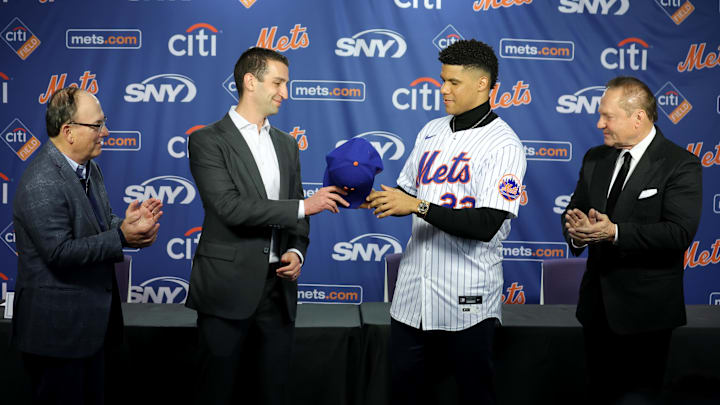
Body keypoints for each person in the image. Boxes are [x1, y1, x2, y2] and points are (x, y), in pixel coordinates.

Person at [366, 39, 526, 404]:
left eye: (453, 82)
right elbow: (404, 193)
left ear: (482, 84)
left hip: (467, 300)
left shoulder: (504, 145)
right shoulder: (431, 131)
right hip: (411, 297)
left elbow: (486, 224)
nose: (443, 89)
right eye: (443, 80)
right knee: (405, 395)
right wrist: (364, 193)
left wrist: (419, 206)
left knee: (470, 396)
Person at [186, 47, 348, 405]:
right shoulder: (207, 140)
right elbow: (229, 207)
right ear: (250, 82)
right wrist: (306, 205)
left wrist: (295, 251)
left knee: (271, 393)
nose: (284, 93)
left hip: (278, 295)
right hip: (226, 292)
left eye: (286, 84)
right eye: (278, 83)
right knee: (217, 392)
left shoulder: (287, 144)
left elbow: (296, 220)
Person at [12, 87, 163, 404]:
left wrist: (127, 226)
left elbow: (101, 222)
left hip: (91, 331)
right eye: (97, 126)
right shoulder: (41, 180)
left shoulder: (88, 169)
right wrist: (121, 236)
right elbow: (59, 253)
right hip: (58, 336)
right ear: (68, 131)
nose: (105, 132)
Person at [562, 76, 702, 403]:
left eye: (607, 116)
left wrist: (614, 232)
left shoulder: (680, 164)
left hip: (646, 316)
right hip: (595, 311)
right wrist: (576, 229)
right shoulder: (595, 158)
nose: (599, 124)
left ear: (638, 117)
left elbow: (679, 233)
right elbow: (574, 210)